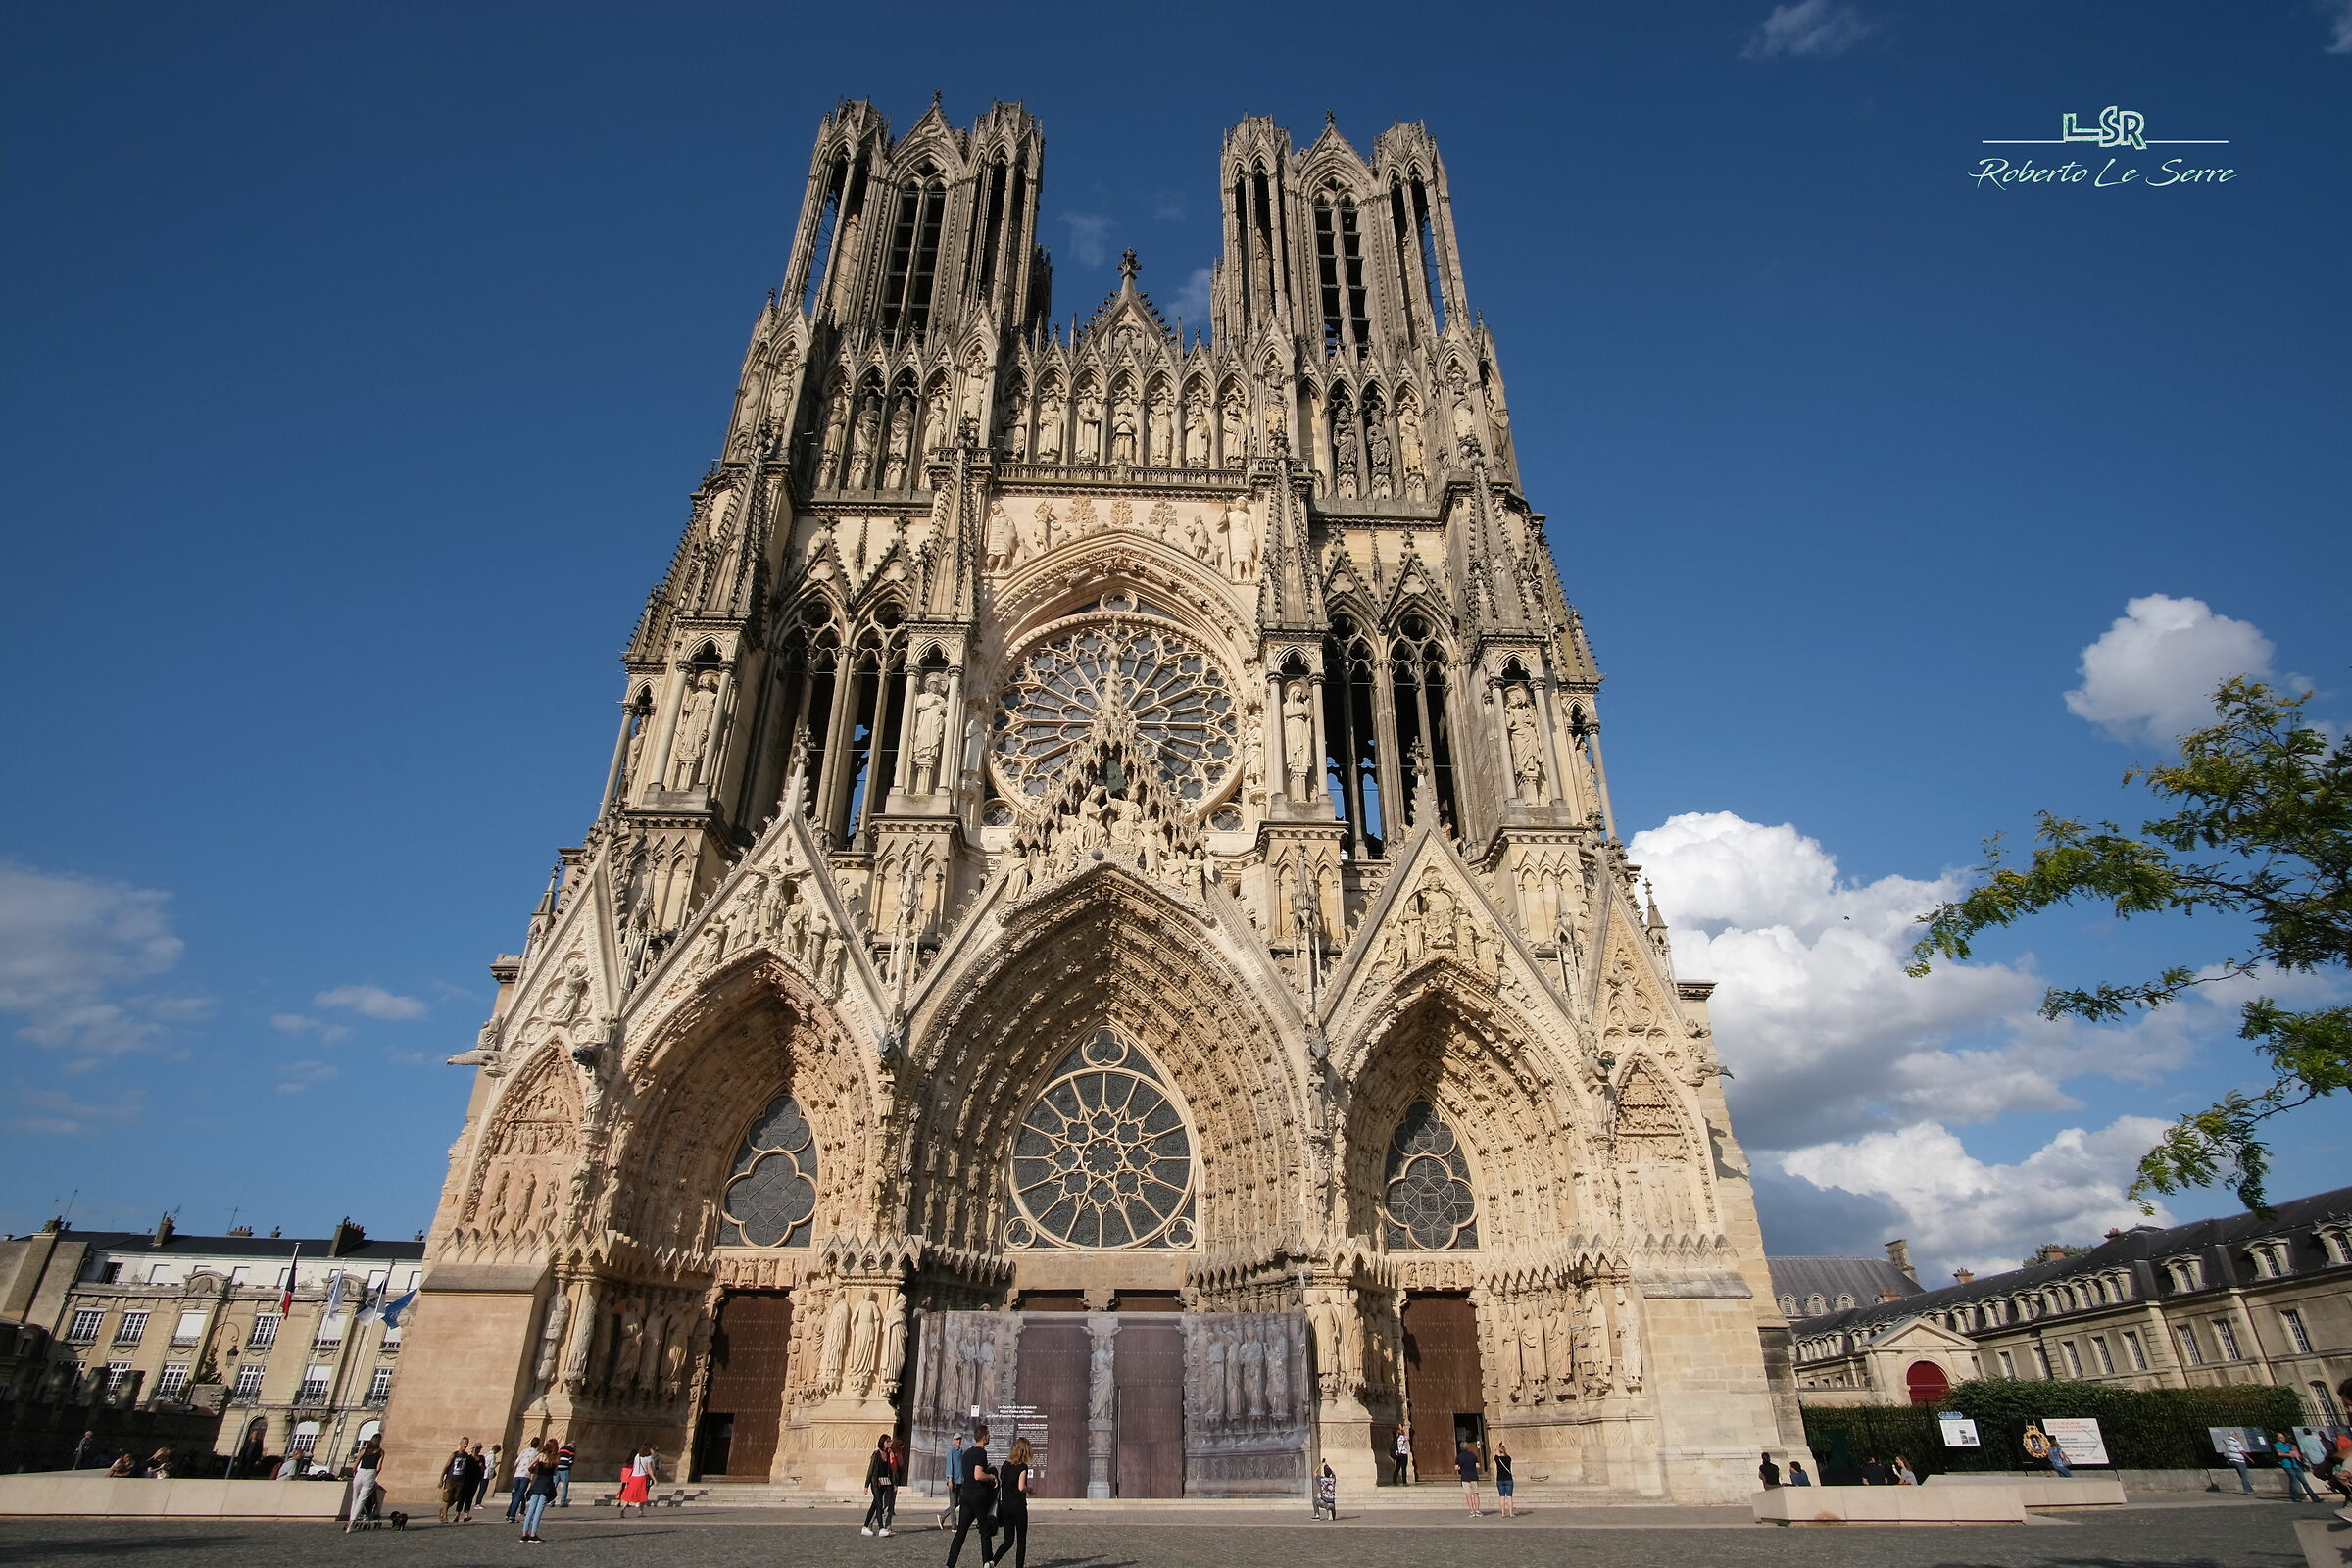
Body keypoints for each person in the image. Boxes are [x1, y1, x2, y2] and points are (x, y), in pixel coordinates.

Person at [944, 1422, 997, 1568]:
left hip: (966, 1496)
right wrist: (992, 1477)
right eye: (988, 1435)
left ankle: (950, 1564)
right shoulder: (981, 1453)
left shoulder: (967, 1453)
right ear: (985, 1437)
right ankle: (987, 1561)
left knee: (961, 1532)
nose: (989, 1437)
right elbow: (978, 1475)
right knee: (985, 1530)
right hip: (978, 1496)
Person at [990, 1435, 1032, 1568]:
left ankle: (992, 1561)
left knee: (1008, 1541)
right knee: (1021, 1541)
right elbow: (1021, 1487)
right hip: (1018, 1507)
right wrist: (1030, 1489)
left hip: (1005, 1506)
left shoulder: (1005, 1465)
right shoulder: (1023, 1467)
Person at [862, 1433, 899, 1537]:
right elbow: (871, 1470)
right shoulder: (876, 1454)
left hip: (885, 1482)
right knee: (879, 1504)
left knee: (874, 1505)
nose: (889, 1443)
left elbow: (891, 1471)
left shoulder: (888, 1454)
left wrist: (894, 1483)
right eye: (887, 1441)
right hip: (876, 1482)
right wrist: (866, 1485)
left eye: (889, 1441)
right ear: (883, 1442)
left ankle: (865, 1526)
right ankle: (881, 1527)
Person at [346, 1436, 384, 1532]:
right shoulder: (381, 1452)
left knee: (354, 1498)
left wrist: (355, 1473)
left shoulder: (363, 1451)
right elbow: (379, 1467)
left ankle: (351, 1519)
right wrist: (374, 1476)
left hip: (360, 1472)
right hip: (370, 1473)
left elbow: (355, 1465)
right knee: (361, 1500)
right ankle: (352, 1522)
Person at [518, 1448, 559, 1543]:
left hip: (537, 1483)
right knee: (538, 1511)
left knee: (531, 1510)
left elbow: (530, 1466)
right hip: (546, 1485)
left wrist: (539, 1470)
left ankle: (524, 1534)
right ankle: (533, 1534)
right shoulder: (555, 1458)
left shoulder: (540, 1456)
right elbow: (555, 1472)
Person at [2276, 1432, 2321, 1503]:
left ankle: (2314, 1497)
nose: (2283, 1438)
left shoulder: (2290, 1445)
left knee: (2304, 1481)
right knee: (2293, 1479)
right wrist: (2289, 1455)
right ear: (2278, 1438)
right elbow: (2279, 1453)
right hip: (2287, 1465)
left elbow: (2297, 1453)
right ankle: (2295, 1496)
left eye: (2283, 1437)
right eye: (2281, 1437)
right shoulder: (2277, 1445)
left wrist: (2296, 1453)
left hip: (2295, 1464)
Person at [439, 1443, 478, 1524]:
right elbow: (446, 1467)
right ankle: (445, 1516)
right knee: (447, 1498)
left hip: (459, 1481)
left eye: (467, 1444)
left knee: (456, 1498)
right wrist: (441, 1479)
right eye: (464, 1444)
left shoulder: (466, 1456)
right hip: (450, 1479)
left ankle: (443, 1510)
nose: (465, 1446)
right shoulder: (454, 1455)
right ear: (460, 1444)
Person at [617, 1445, 657, 1518]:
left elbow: (635, 1466)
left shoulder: (637, 1456)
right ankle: (640, 1511)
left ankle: (623, 1508)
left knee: (630, 1493)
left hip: (634, 1477)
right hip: (642, 1477)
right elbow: (649, 1469)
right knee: (642, 1495)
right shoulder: (648, 1458)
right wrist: (654, 1479)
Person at [507, 1439, 540, 1522]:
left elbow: (515, 1463)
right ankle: (512, 1516)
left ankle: (508, 1513)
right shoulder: (536, 1453)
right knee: (519, 1494)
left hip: (517, 1474)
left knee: (515, 1494)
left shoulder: (524, 1451)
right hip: (526, 1475)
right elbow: (534, 1466)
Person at [2219, 1428, 2255, 1494]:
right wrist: (2249, 1458)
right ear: (2233, 1435)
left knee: (2242, 1475)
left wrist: (2227, 1459)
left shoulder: (2226, 1441)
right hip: (2239, 1460)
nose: (2237, 1436)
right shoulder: (2236, 1442)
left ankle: (2250, 1489)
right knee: (2244, 1475)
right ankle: (2248, 1490)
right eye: (2236, 1434)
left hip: (2232, 1459)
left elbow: (2225, 1451)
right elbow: (2242, 1451)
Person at [940, 1435, 964, 1530]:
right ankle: (954, 1524)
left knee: (959, 1501)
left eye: (960, 1439)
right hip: (953, 1480)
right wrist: (949, 1479)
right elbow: (950, 1465)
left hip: (960, 1480)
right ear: (953, 1441)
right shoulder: (951, 1451)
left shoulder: (961, 1452)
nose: (959, 1441)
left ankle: (943, 1515)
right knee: (953, 1502)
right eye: (957, 1439)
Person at [1456, 1435, 1483, 1517]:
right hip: (1473, 1475)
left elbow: (1456, 1467)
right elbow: (1478, 1466)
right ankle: (1477, 1510)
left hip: (1465, 1476)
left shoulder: (1459, 1457)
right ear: (1467, 1447)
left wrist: (1462, 1467)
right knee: (1476, 1493)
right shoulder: (1473, 1455)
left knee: (1468, 1494)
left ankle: (1472, 1511)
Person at [1494, 1444, 1516, 1517]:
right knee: (1509, 1497)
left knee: (1502, 1497)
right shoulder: (1509, 1458)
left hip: (1500, 1480)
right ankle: (1511, 1513)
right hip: (1508, 1479)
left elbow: (1495, 1452)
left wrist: (1497, 1445)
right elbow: (1507, 1455)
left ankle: (1503, 1513)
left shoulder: (1497, 1459)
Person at [477, 1443, 501, 1509]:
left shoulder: (487, 1454)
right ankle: (478, 1503)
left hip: (483, 1474)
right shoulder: (492, 1456)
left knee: (481, 1489)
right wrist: (497, 1463)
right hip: (486, 1474)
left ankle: (478, 1502)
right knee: (483, 1489)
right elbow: (492, 1465)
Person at [555, 1441, 575, 1506]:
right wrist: (570, 1468)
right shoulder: (572, 1450)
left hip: (557, 1468)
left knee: (554, 1485)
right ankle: (562, 1502)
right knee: (565, 1485)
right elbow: (571, 1460)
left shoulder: (561, 1448)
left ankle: (551, 1500)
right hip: (565, 1468)